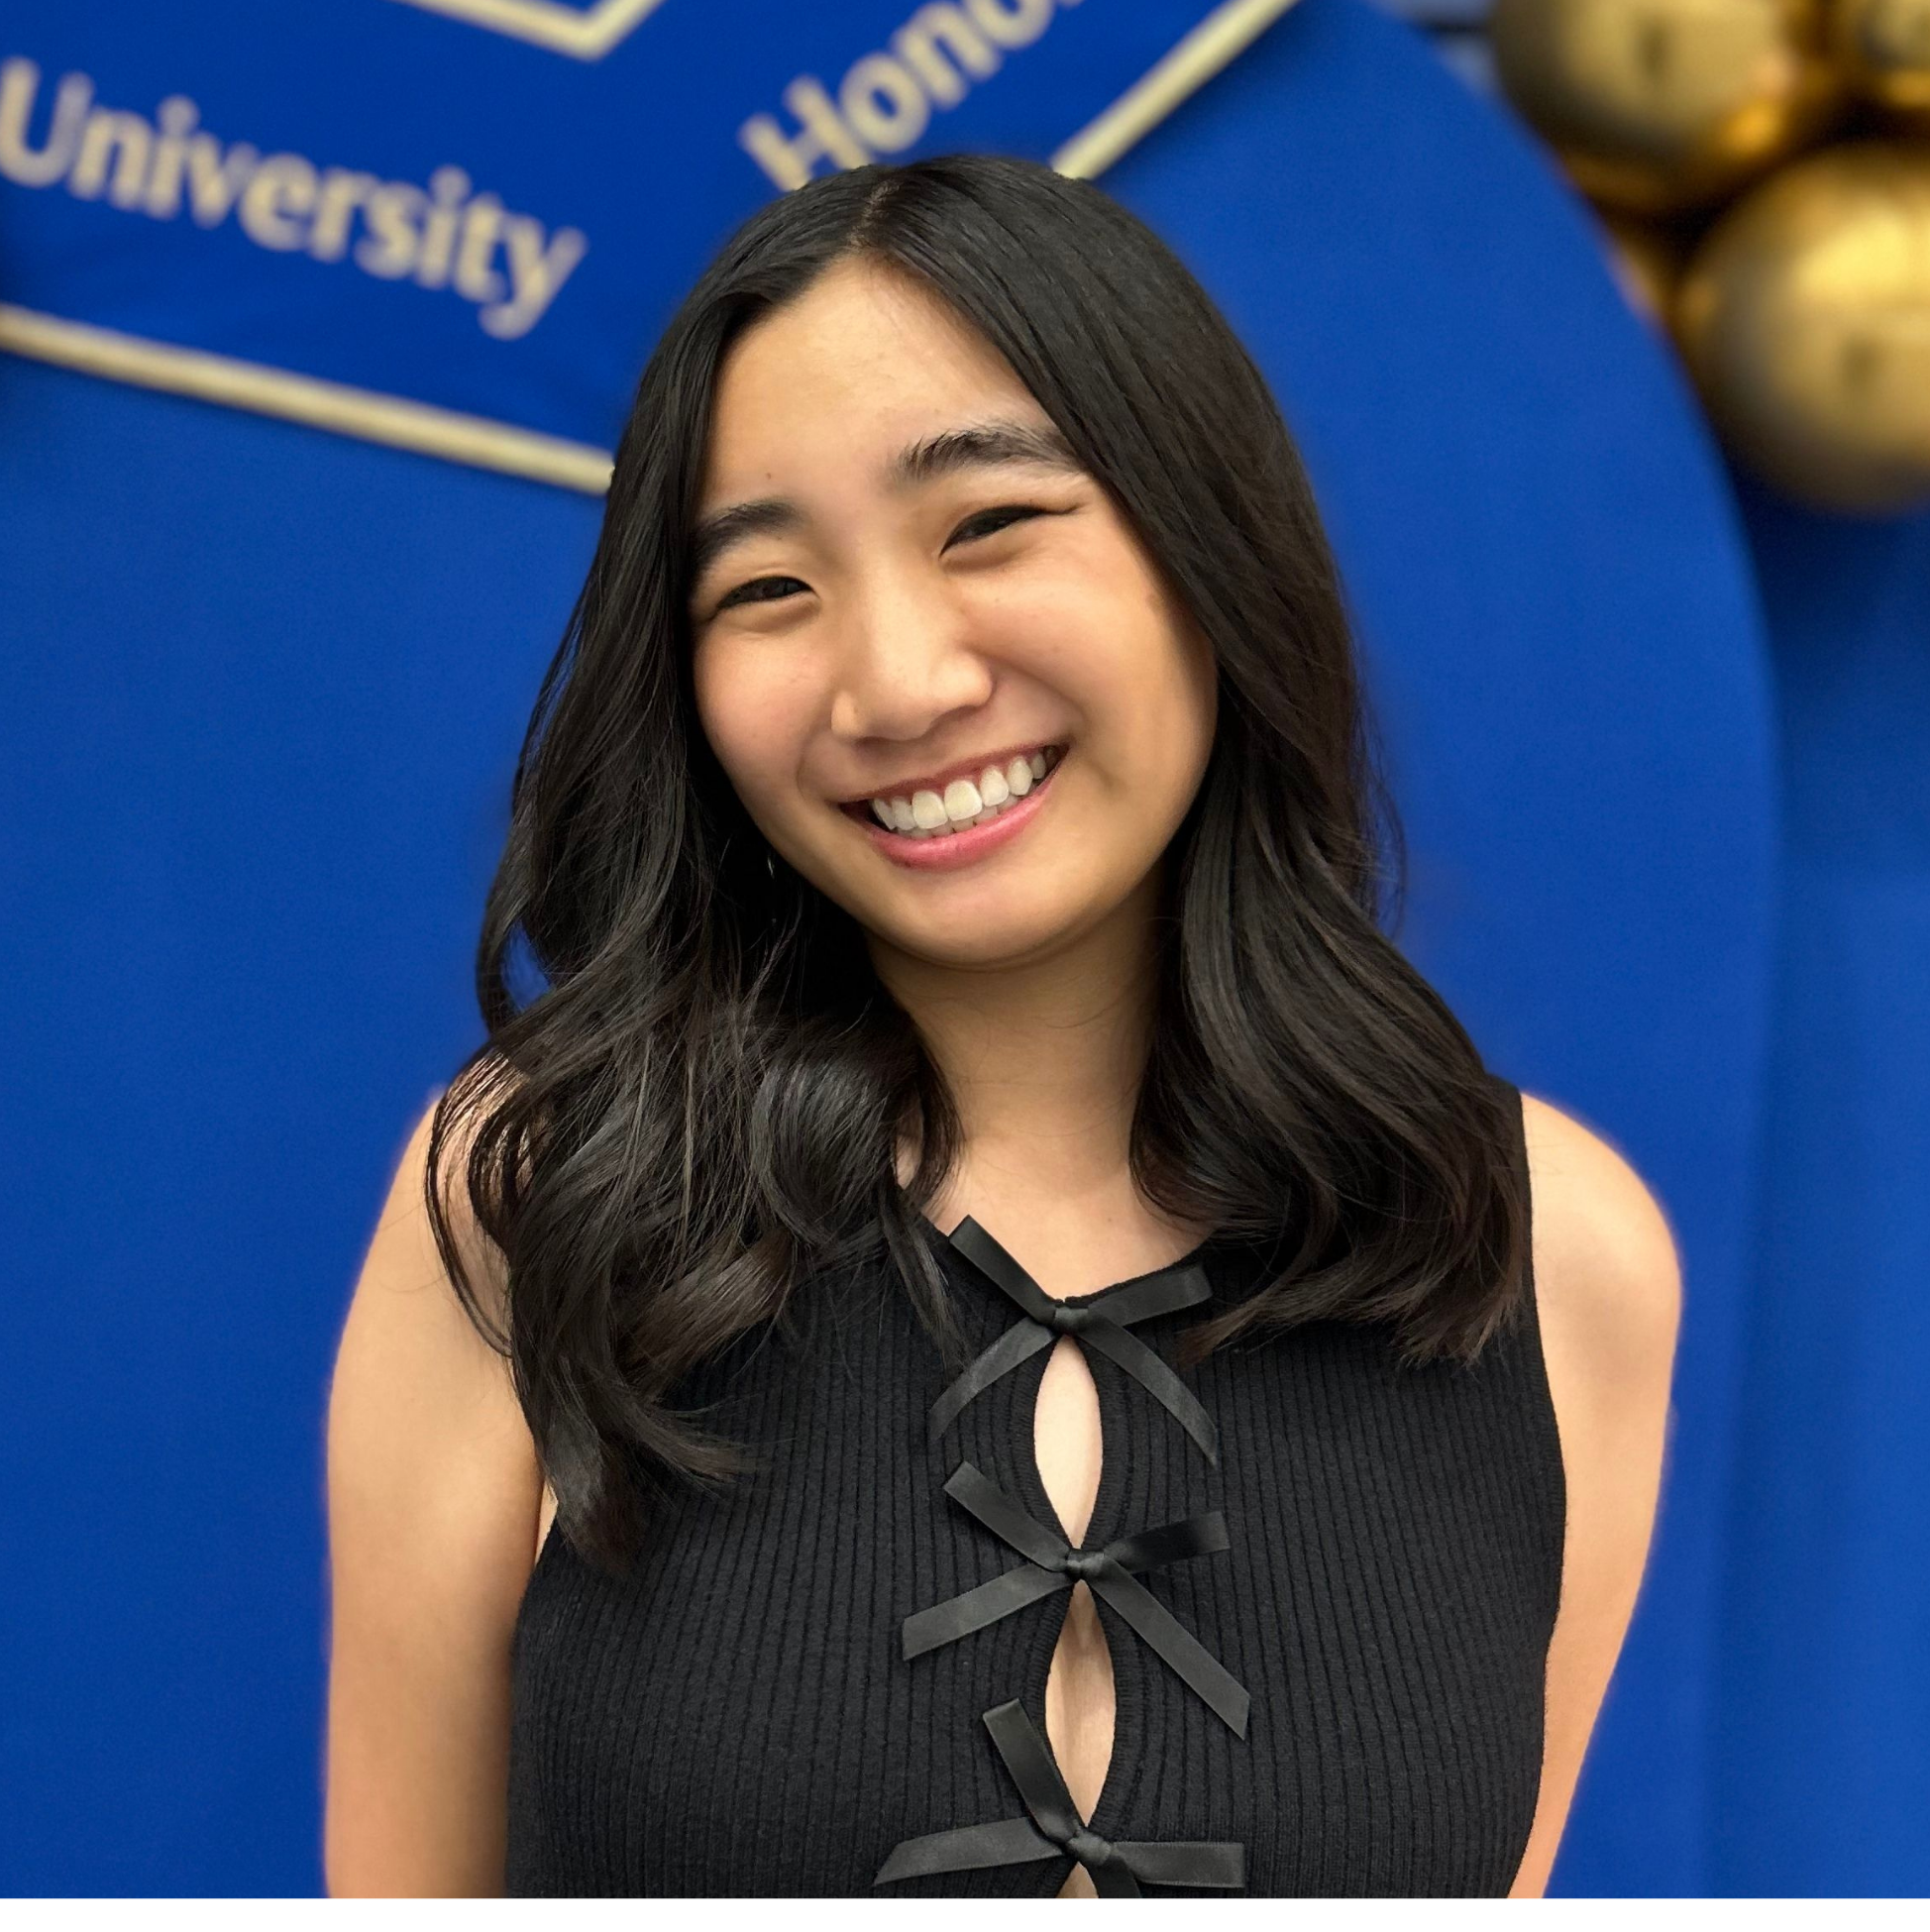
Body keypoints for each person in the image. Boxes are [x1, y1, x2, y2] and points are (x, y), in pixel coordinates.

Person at [323, 155, 1679, 1898]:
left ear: (1205, 547)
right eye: (766, 588)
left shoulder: (1553, 1255)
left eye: (987, 525)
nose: (898, 683)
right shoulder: (535, 1203)